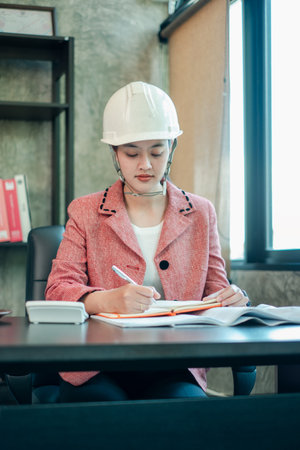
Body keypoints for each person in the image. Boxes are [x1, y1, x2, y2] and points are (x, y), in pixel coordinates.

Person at [45, 81, 248, 402]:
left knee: (184, 410)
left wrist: (232, 299)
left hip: (175, 364)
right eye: (131, 153)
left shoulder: (200, 212)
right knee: (103, 411)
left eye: (157, 151)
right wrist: (106, 300)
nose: (146, 164)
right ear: (114, 153)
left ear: (171, 148)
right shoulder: (85, 211)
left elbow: (214, 295)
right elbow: (57, 290)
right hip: (98, 365)